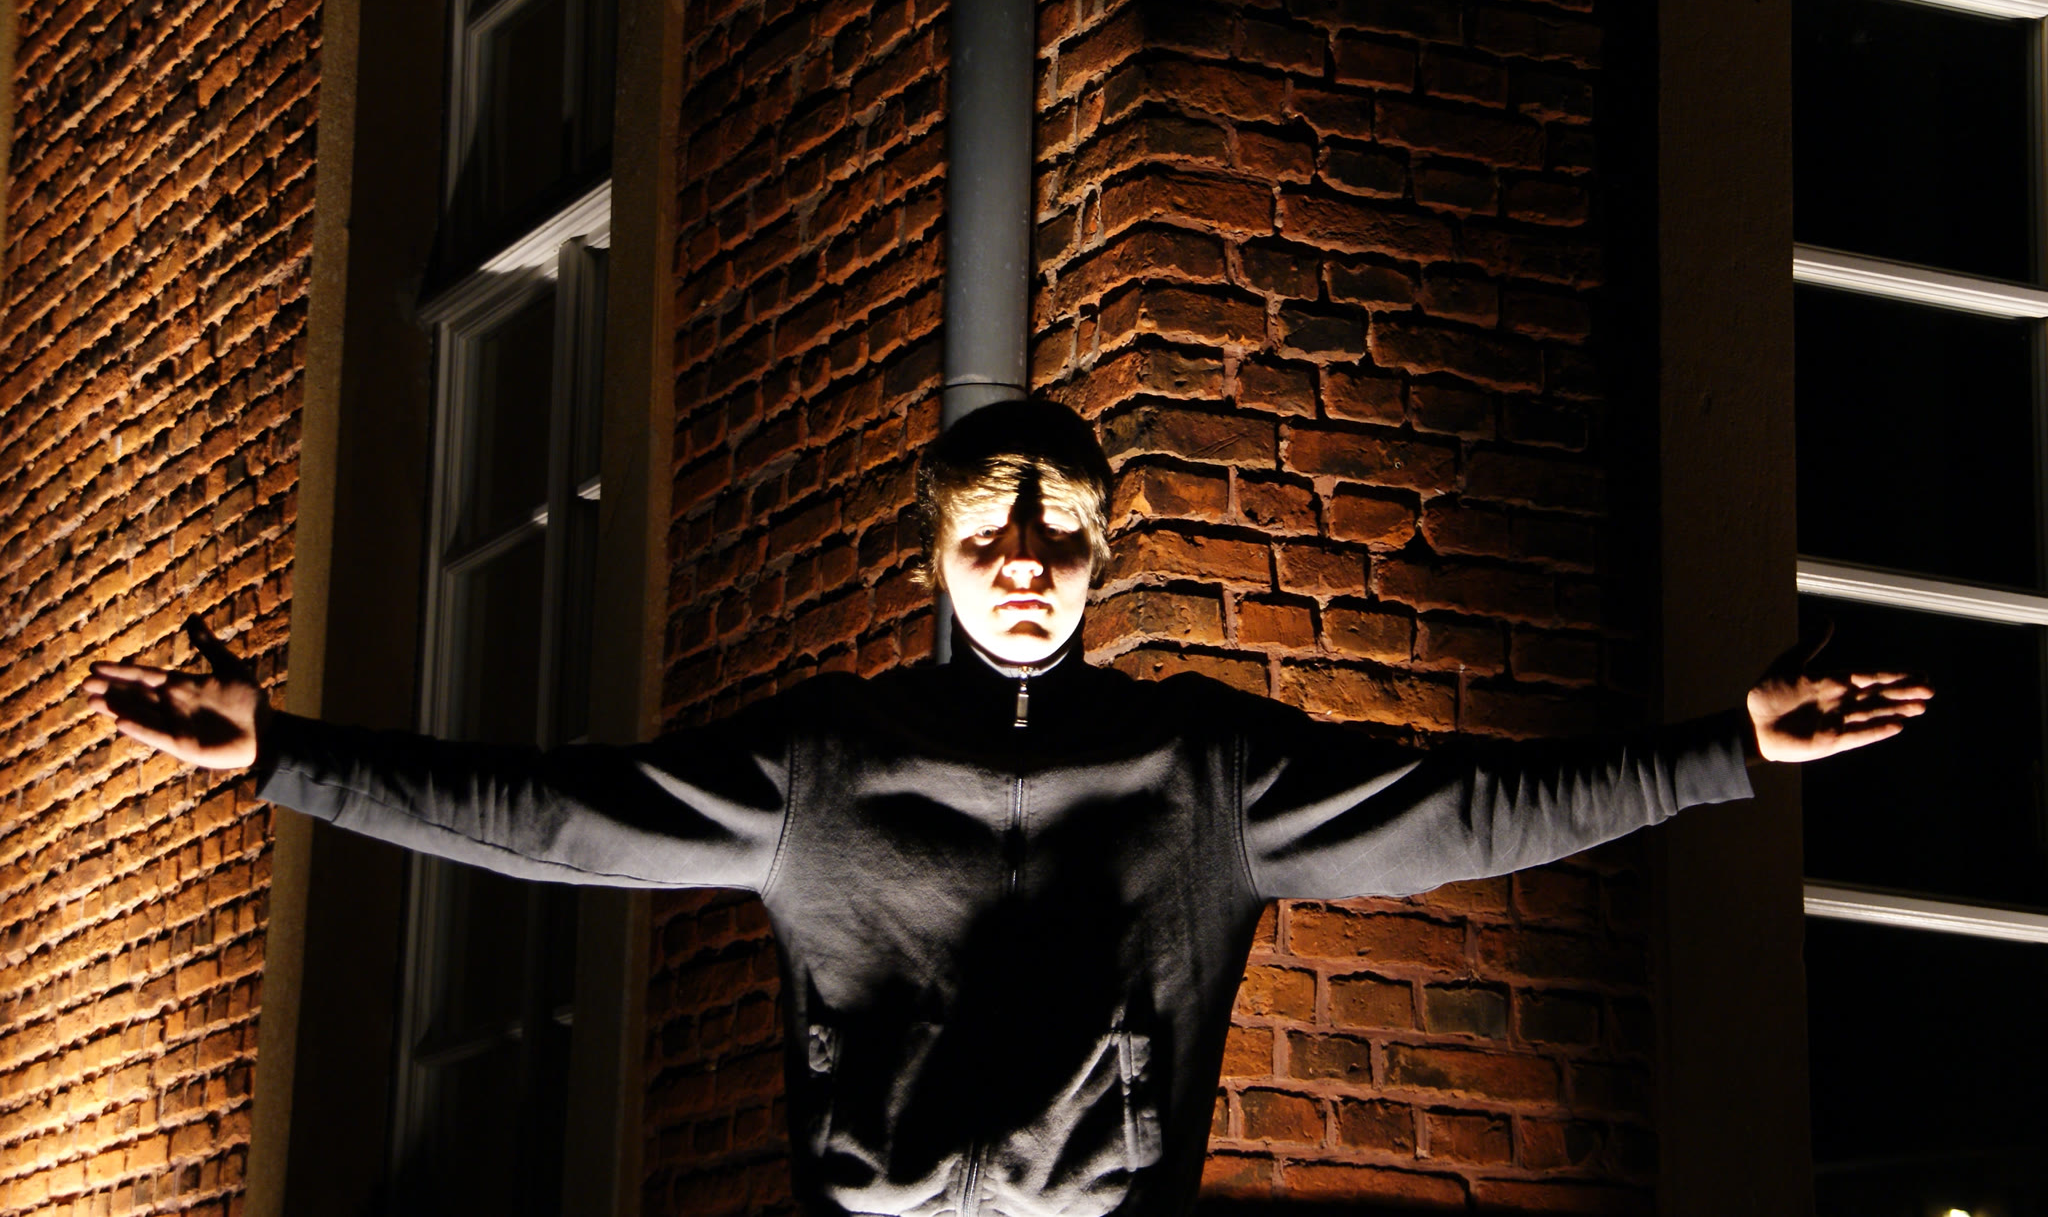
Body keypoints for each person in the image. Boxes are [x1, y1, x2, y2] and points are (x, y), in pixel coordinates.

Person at [84, 398, 1927, 1217]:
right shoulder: (822, 769)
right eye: (990, 535)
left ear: (1103, 556)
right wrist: (283, 756)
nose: (1027, 563)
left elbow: (1470, 813)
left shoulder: (1201, 771)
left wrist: (1731, 750)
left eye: (1059, 535)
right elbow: (555, 818)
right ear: (940, 560)